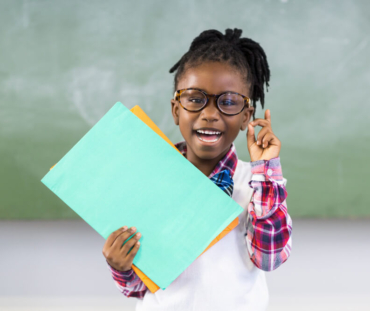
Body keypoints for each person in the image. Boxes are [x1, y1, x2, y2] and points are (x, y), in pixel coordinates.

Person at [102, 28, 292, 311]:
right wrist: (121, 266)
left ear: (246, 117)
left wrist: (265, 170)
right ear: (176, 109)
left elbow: (270, 258)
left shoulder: (258, 184)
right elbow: (138, 287)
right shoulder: (150, 179)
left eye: (228, 102)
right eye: (194, 98)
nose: (210, 113)